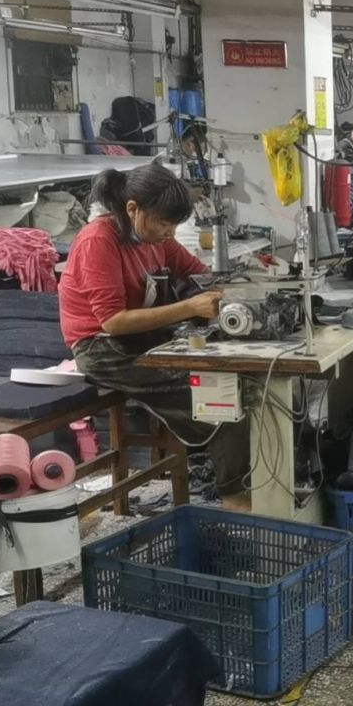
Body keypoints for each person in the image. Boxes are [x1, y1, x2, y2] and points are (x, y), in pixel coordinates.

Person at [58, 165, 251, 511]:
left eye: (174, 225)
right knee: (220, 395)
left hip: (145, 339)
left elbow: (198, 272)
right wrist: (189, 306)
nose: (170, 232)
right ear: (133, 209)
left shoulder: (158, 240)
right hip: (103, 349)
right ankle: (236, 500)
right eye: (164, 223)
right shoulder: (98, 240)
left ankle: (256, 481)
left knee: (243, 376)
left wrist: (234, 287)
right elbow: (113, 322)